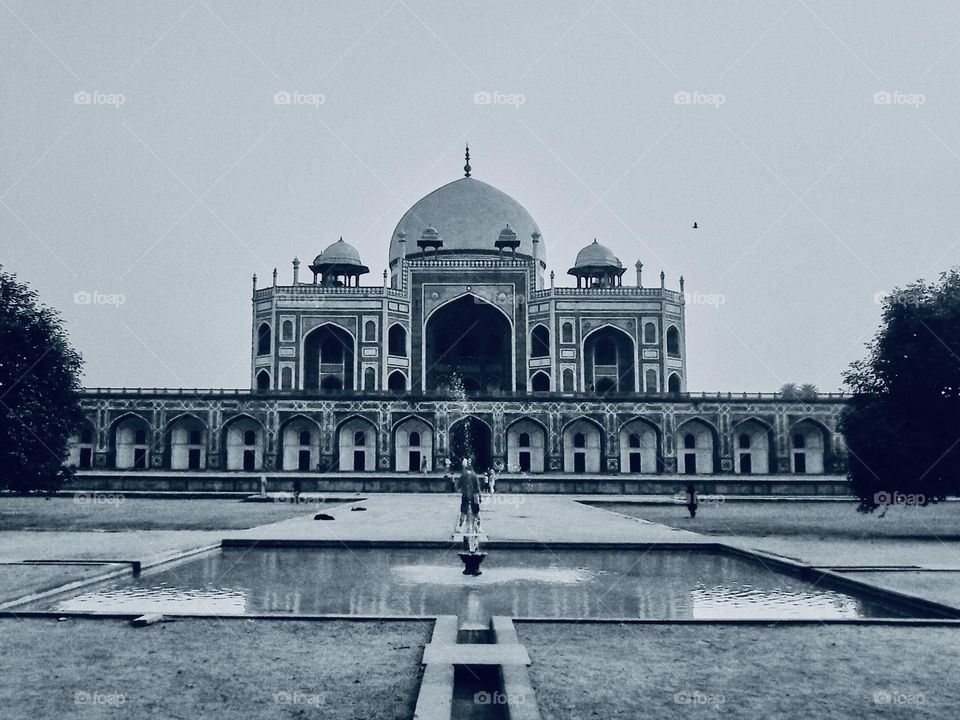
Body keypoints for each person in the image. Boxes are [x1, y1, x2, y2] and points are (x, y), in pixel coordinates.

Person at [455, 459, 482, 534]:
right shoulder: (474, 476)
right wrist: (480, 497)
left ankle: (460, 527)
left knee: (463, 512)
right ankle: (479, 527)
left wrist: (459, 489)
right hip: (474, 496)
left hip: (465, 496)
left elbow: (458, 486)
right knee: (476, 512)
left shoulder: (463, 476)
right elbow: (478, 487)